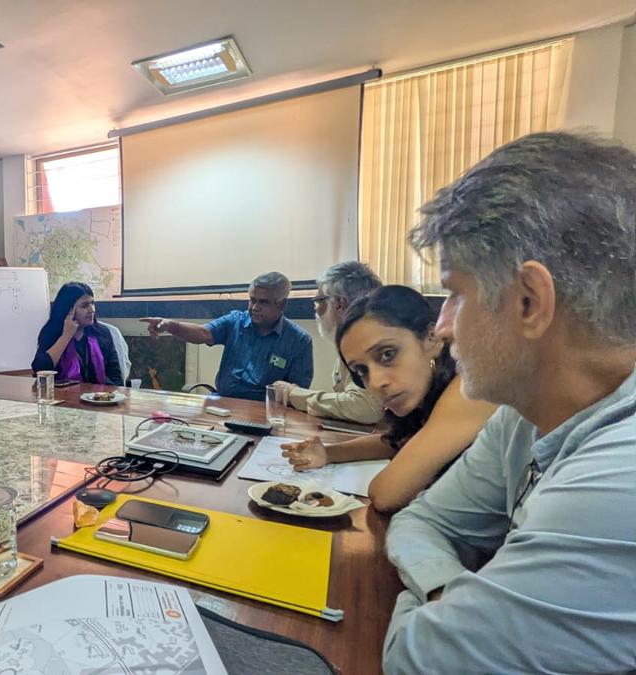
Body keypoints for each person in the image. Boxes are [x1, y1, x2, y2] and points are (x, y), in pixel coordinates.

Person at [379, 132, 636, 673]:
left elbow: (420, 660)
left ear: (529, 302)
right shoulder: (524, 416)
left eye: (456, 294)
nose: (443, 327)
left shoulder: (620, 479)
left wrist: (445, 618)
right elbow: (421, 520)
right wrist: (445, 592)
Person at [280, 286, 496, 512]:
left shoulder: (473, 385)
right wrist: (328, 453)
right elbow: (399, 442)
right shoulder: (431, 396)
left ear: (431, 338)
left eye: (387, 354)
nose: (375, 382)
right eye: (362, 370)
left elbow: (386, 494)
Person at [141, 272, 312, 400]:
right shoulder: (236, 321)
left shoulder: (299, 341)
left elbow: (298, 394)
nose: (254, 307)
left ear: (282, 304)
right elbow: (203, 333)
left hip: (264, 412)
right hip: (222, 404)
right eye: (252, 300)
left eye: (263, 302)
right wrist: (170, 325)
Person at [271, 261, 384, 424]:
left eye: (319, 300)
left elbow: (365, 408)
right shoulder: (350, 338)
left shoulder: (366, 341)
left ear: (339, 304)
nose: (316, 308)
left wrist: (293, 393)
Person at [31, 282, 123, 386]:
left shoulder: (102, 333)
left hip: (99, 395)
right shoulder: (50, 333)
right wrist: (66, 336)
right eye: (85, 306)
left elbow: (116, 378)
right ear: (68, 310)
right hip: (63, 394)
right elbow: (40, 371)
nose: (91, 310)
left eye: (92, 303)